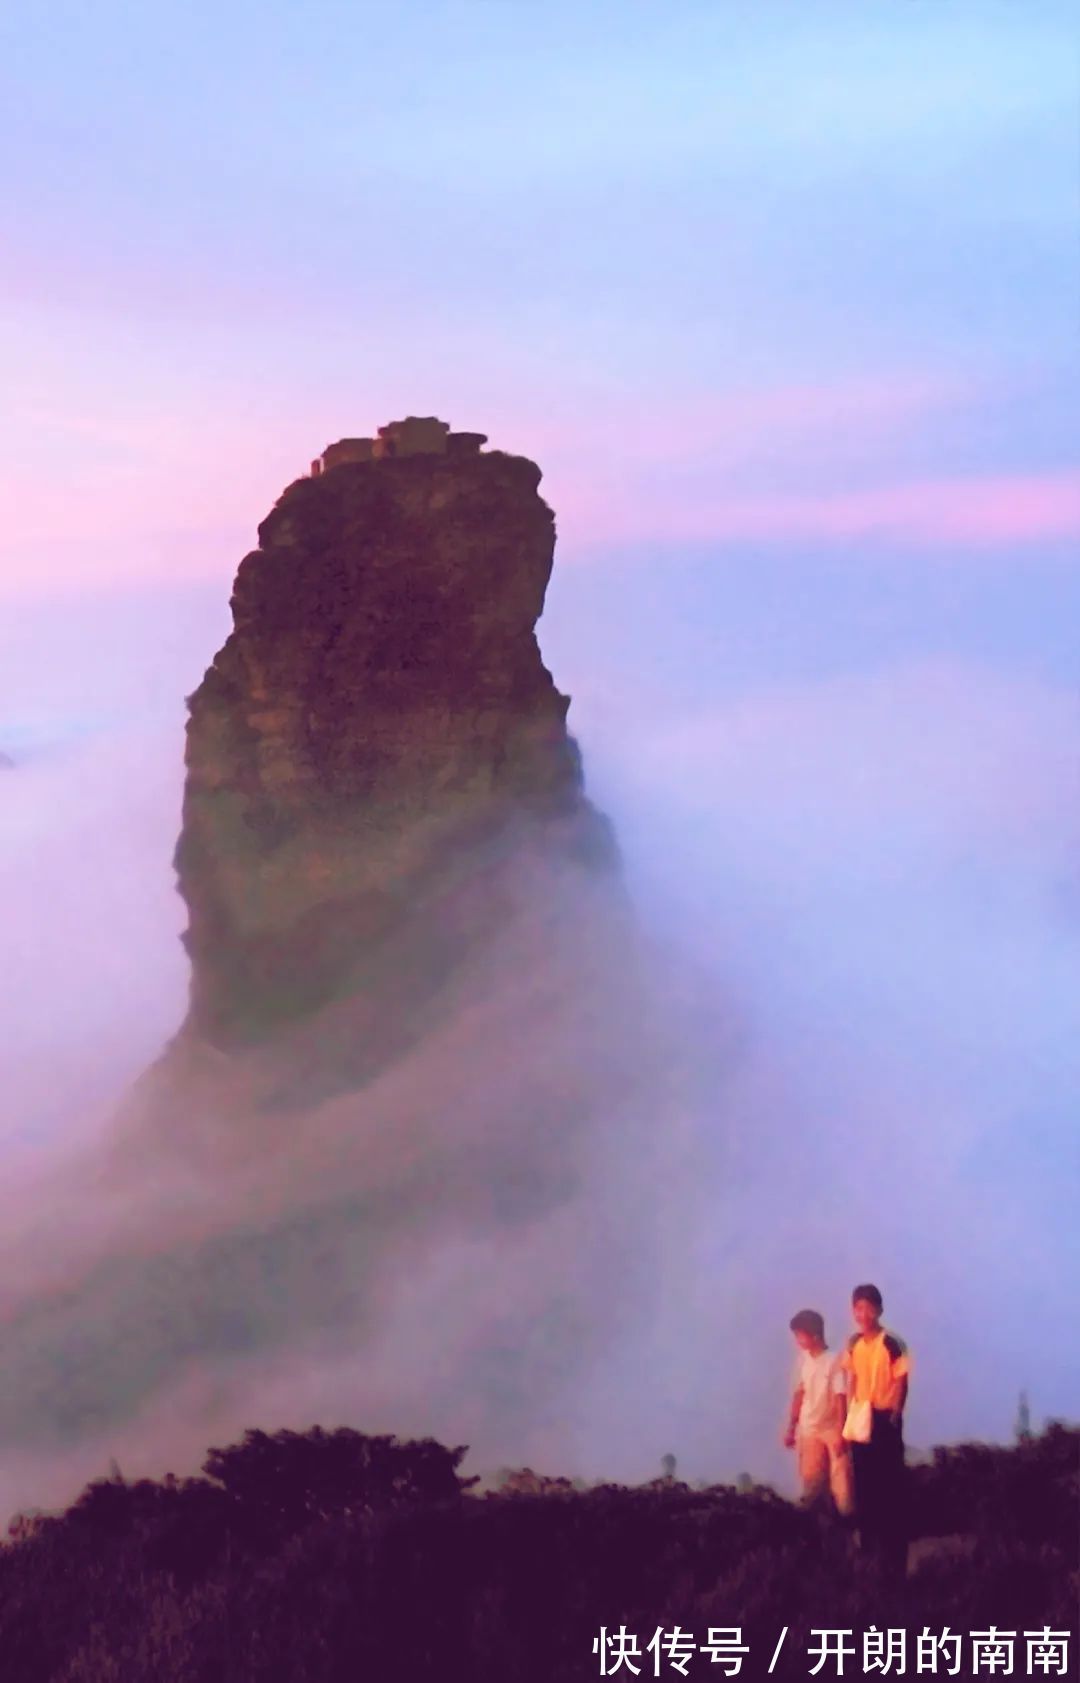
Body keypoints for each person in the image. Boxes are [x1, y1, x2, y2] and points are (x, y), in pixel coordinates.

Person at [840, 1283, 911, 1580]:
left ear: (879, 1310)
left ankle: (895, 1560)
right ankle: (868, 1555)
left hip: (884, 1419)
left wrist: (895, 1413)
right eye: (859, 1308)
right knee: (864, 1489)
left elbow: (901, 1381)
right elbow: (851, 1380)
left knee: (889, 1490)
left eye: (869, 1308)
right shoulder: (853, 1343)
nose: (864, 1314)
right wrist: (849, 1419)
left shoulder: (892, 1342)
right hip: (861, 1420)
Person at [783, 1309, 853, 1517]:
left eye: (800, 1335)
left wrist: (842, 1432)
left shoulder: (834, 1361)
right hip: (809, 1429)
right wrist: (791, 1428)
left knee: (842, 1488)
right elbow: (799, 1394)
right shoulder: (803, 1361)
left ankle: (851, 1531)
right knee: (812, 1484)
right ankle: (819, 1533)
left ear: (814, 1335)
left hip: (831, 1428)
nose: (797, 1341)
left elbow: (841, 1397)